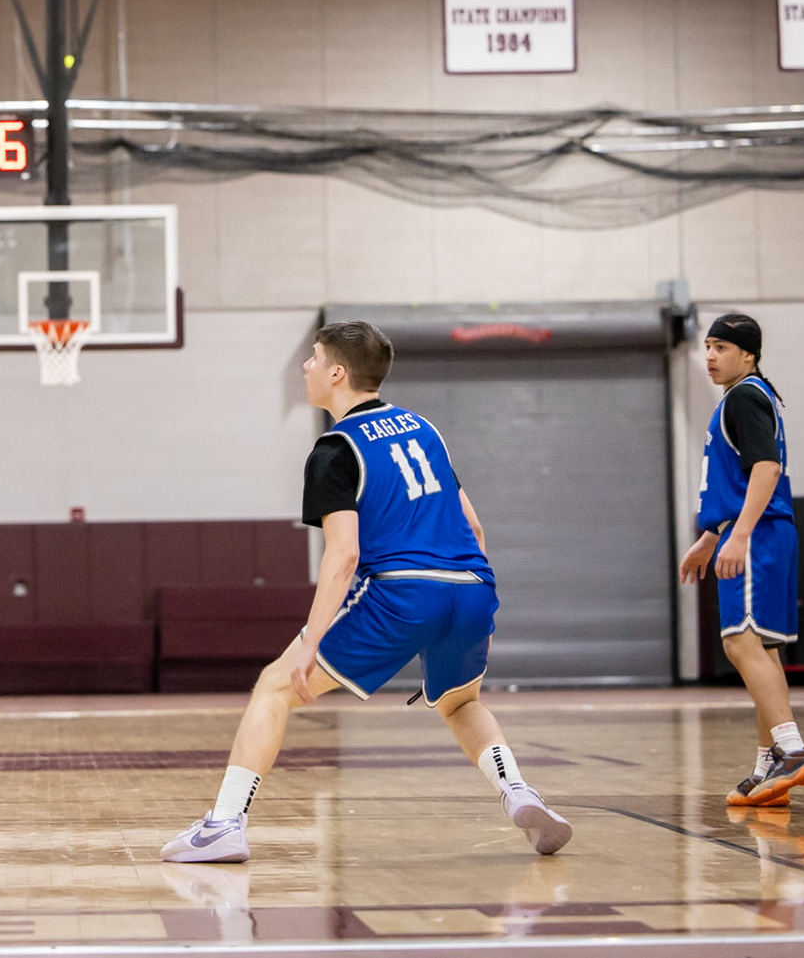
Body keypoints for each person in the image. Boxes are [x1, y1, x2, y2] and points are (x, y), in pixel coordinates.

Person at [162, 320, 571, 864]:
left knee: (275, 686)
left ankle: (224, 825)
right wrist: (482, 615)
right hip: (471, 588)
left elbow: (344, 555)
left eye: (313, 357)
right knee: (461, 703)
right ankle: (518, 790)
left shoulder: (335, 449)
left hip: (404, 593)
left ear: (337, 373)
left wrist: (310, 642)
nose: (305, 366)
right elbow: (473, 527)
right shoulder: (425, 429)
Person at [678, 313, 804, 806]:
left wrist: (737, 535)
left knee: (739, 642)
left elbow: (766, 468)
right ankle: (769, 766)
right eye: (708, 346)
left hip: (758, 533)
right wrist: (711, 536)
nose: (710, 356)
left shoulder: (744, 395)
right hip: (766, 531)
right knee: (763, 648)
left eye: (721, 347)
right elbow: (742, 479)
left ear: (749, 354)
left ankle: (793, 750)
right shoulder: (749, 396)